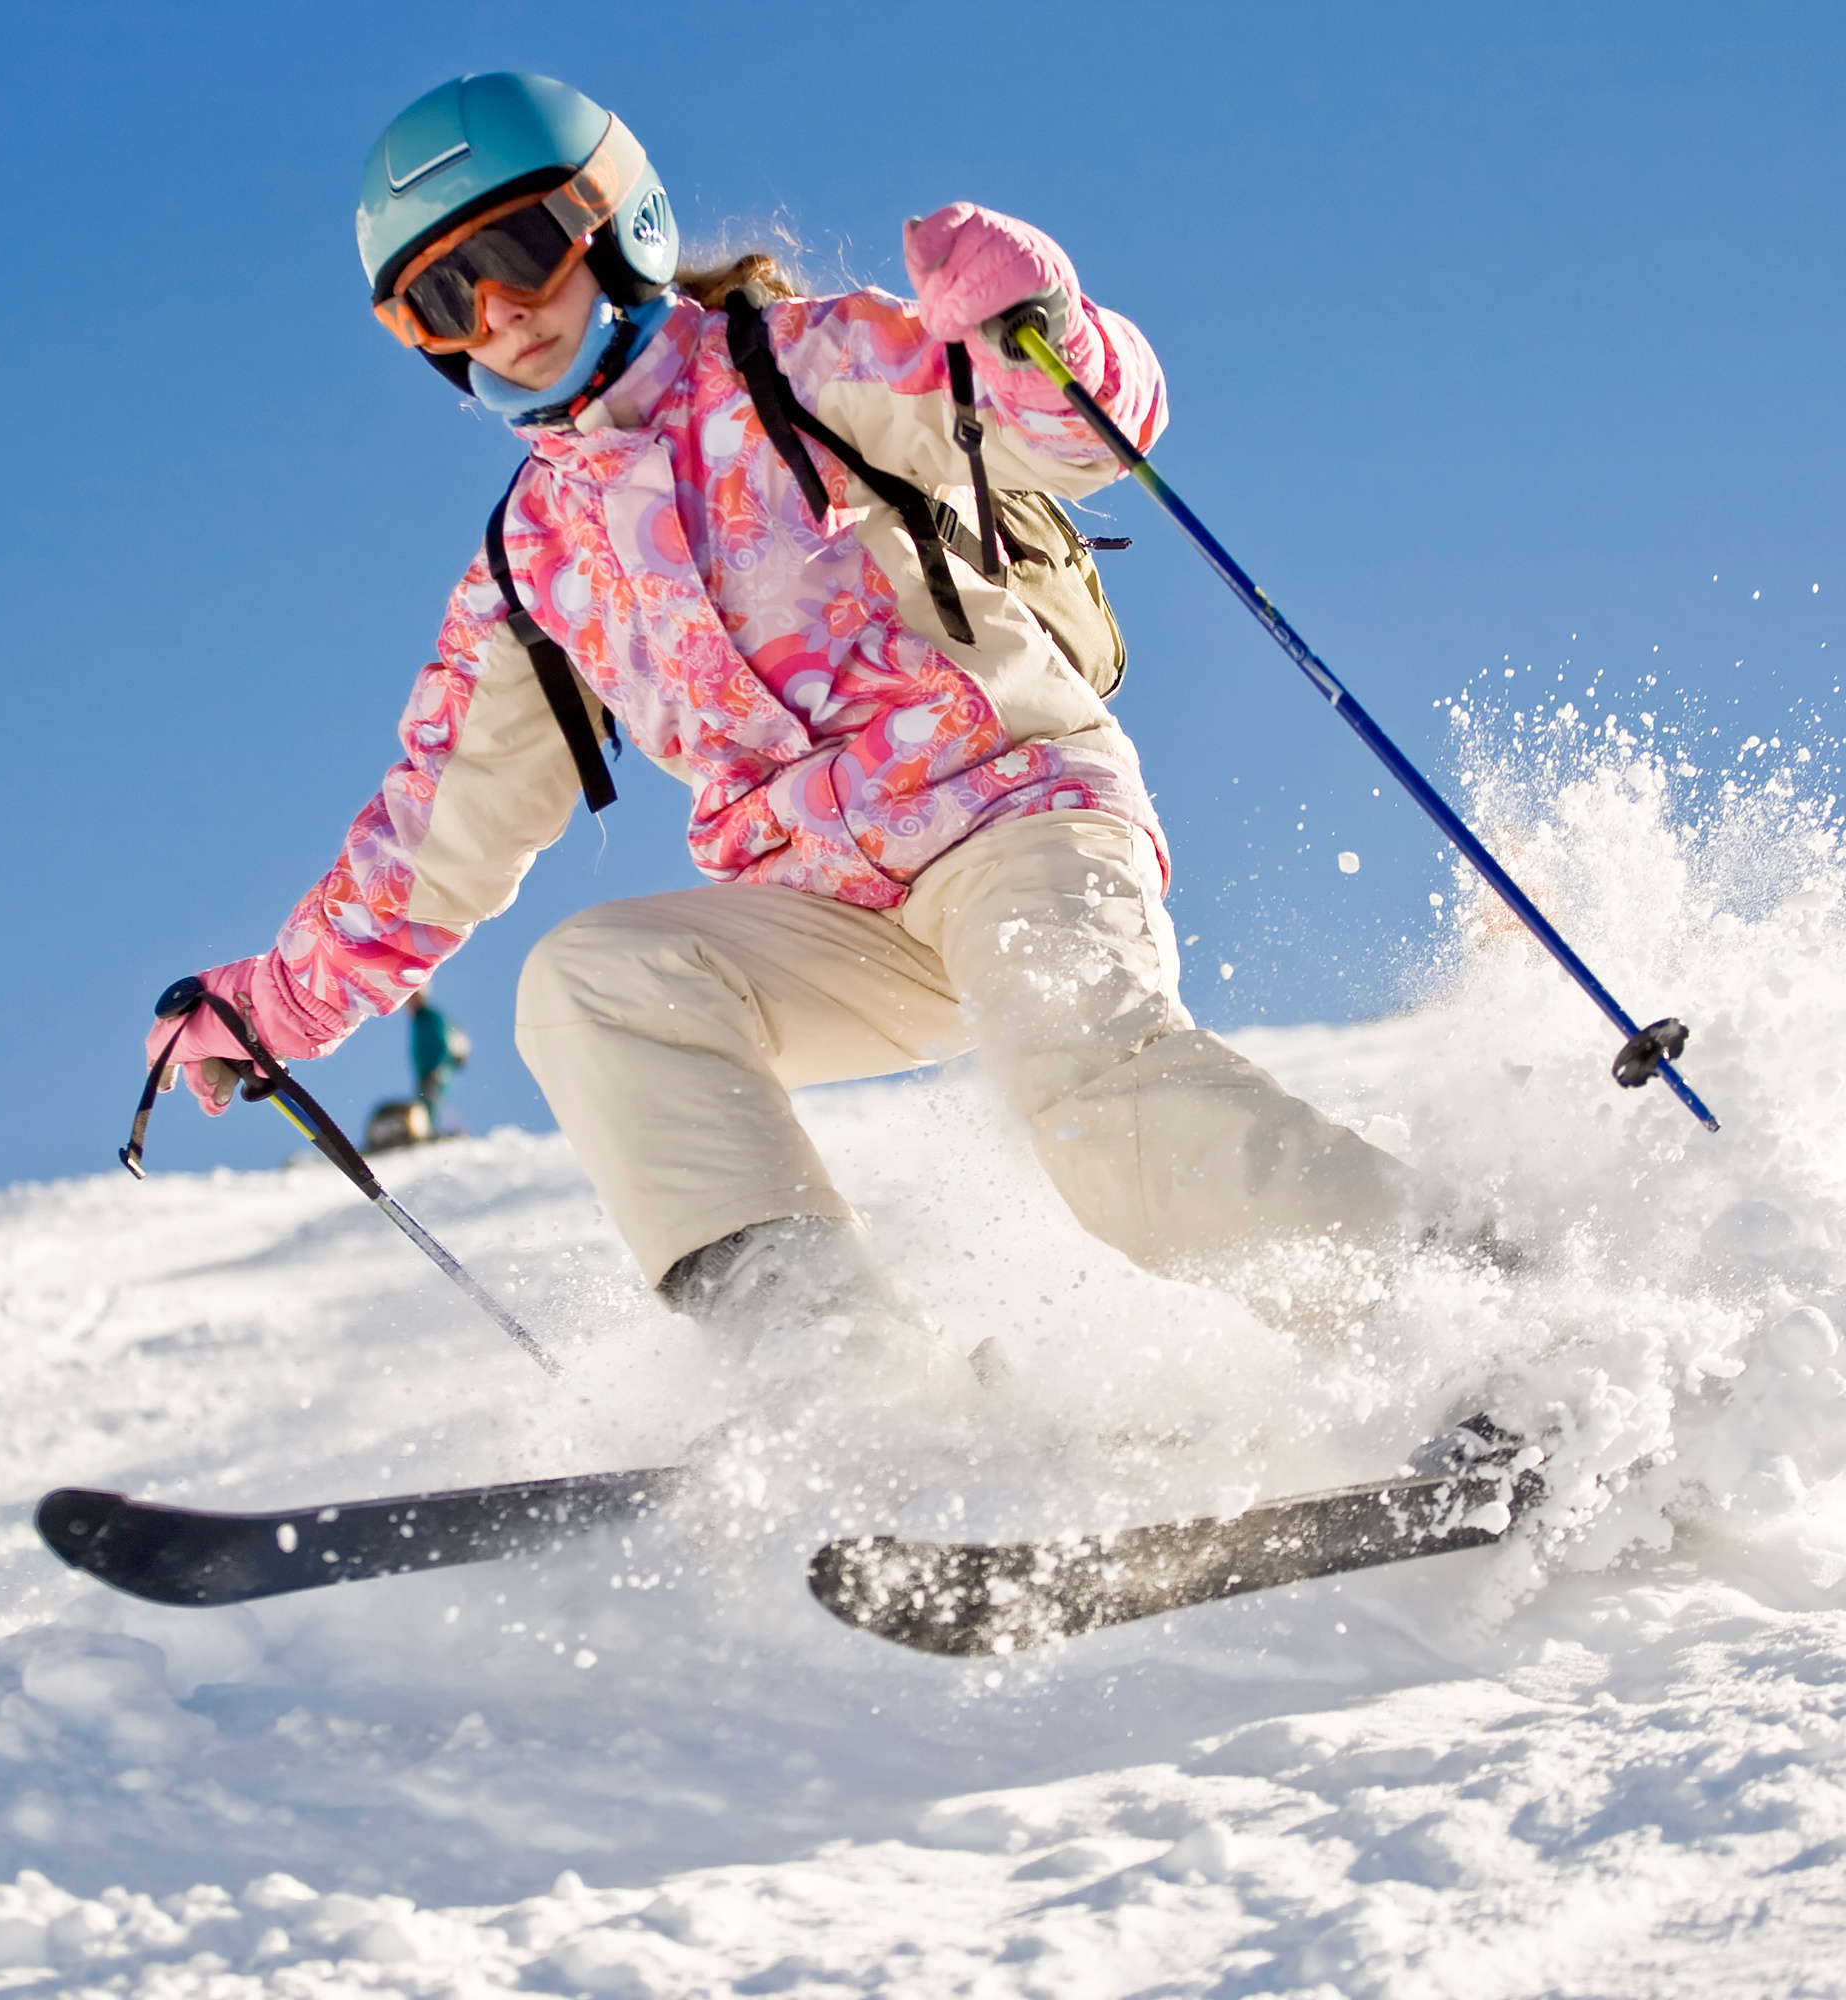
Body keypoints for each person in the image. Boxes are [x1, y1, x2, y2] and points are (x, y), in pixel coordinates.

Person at [147, 72, 1442, 1413]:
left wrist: (1034, 330)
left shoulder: (803, 364)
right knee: (590, 986)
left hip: (1014, 819)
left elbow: (1069, 438)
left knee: (1090, 1088)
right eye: (439, 297)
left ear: (616, 222)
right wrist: (279, 1001)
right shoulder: (533, 566)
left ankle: (1454, 1309)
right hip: (832, 918)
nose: (499, 313)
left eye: (518, 251)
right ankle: (859, 1393)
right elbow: (439, 823)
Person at [406, 989, 471, 1133]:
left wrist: (435, 1068)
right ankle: (430, 1131)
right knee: (428, 1103)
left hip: (435, 1070)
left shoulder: (428, 1016)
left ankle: (432, 1133)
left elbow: (441, 1043)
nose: (407, 1004)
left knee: (430, 1104)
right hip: (427, 1071)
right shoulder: (420, 1018)